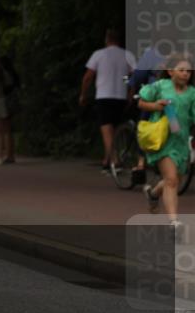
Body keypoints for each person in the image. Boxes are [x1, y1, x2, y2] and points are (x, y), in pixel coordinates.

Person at [139, 52, 194, 230]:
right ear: (170, 71)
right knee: (171, 180)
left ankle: (153, 193)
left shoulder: (192, 93)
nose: (186, 73)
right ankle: (173, 222)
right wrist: (155, 106)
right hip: (163, 140)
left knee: (175, 180)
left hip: (181, 141)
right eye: (181, 70)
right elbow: (141, 102)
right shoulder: (160, 86)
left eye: (188, 70)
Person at [80, 29, 137, 173]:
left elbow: (88, 76)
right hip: (120, 96)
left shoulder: (99, 55)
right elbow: (130, 76)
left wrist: (83, 94)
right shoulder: (127, 55)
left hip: (104, 95)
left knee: (106, 129)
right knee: (116, 128)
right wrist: (130, 91)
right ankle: (107, 160)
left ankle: (115, 160)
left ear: (107, 39)